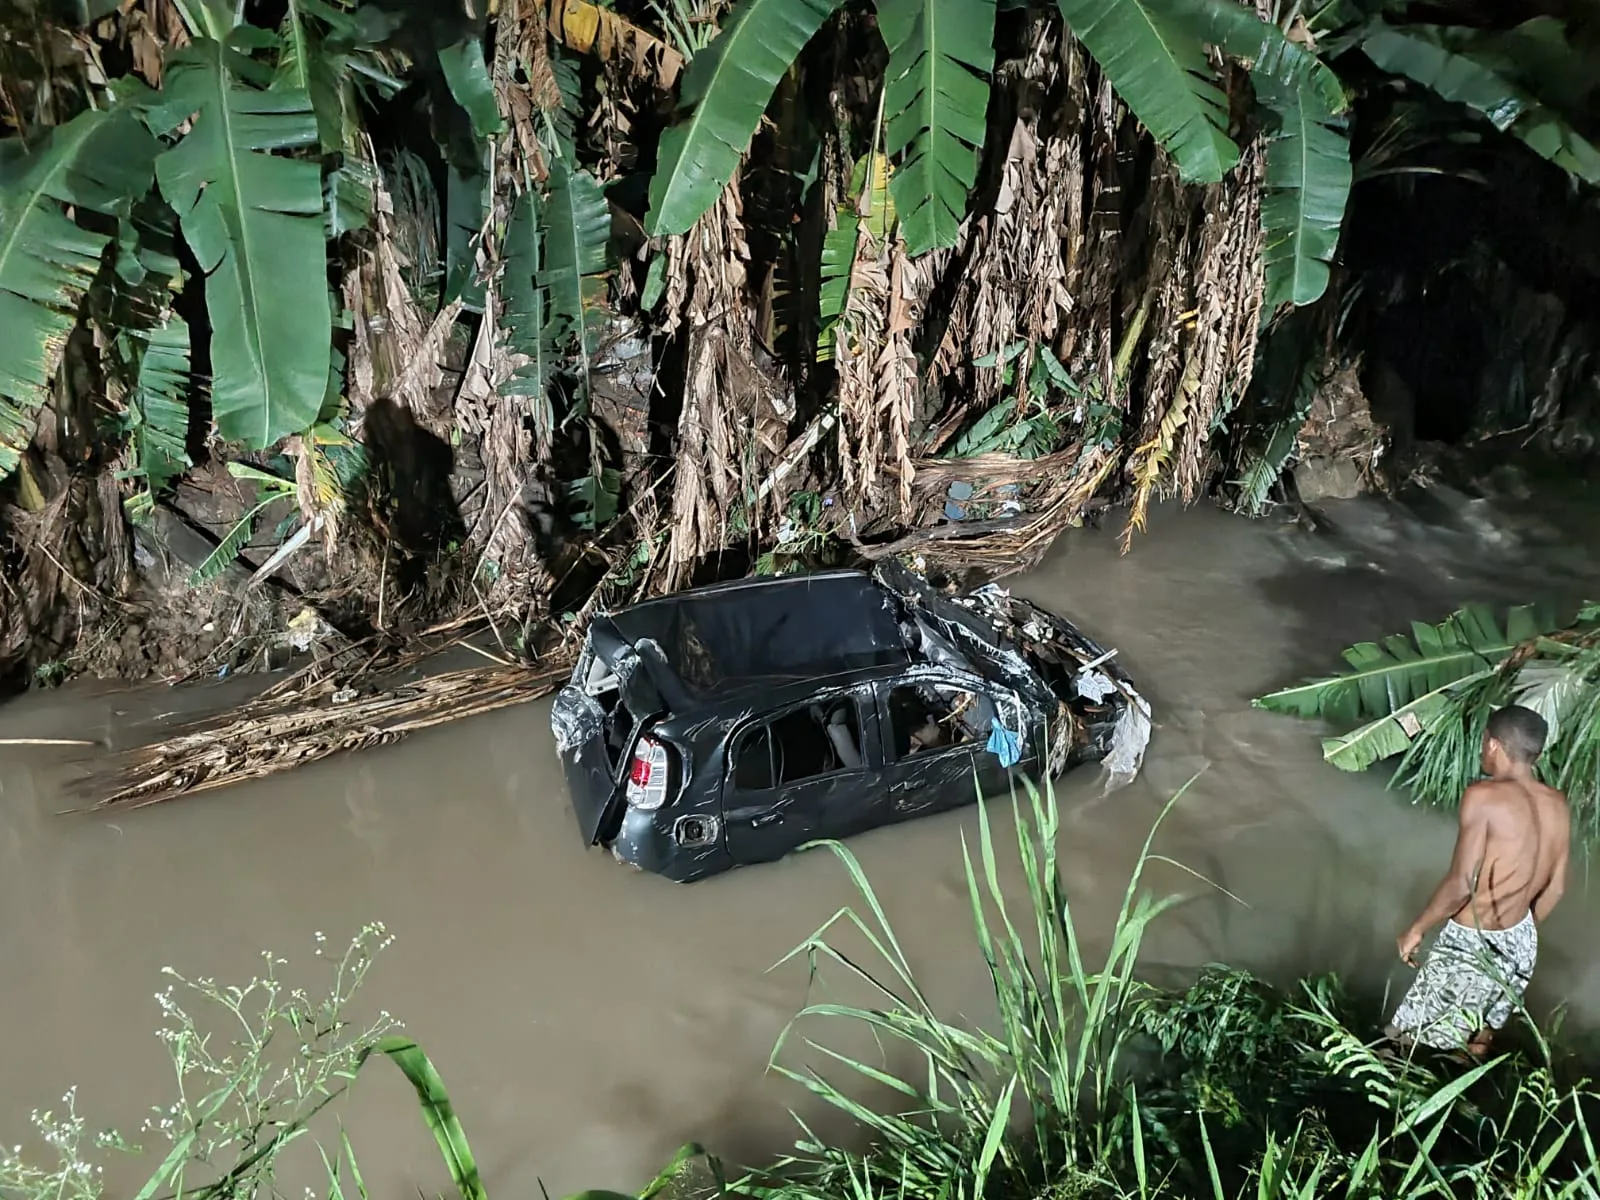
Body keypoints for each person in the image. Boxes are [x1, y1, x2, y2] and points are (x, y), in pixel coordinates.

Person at [1386, 704, 1570, 1057]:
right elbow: (1556, 888)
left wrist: (1417, 928)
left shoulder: (1484, 796)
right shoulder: (1557, 803)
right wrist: (1517, 933)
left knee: (1401, 1039)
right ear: (1537, 753)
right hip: (1523, 941)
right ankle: (1468, 1100)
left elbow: (1461, 883)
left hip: (1472, 941)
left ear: (1493, 745)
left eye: (1484, 741)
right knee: (1477, 1039)